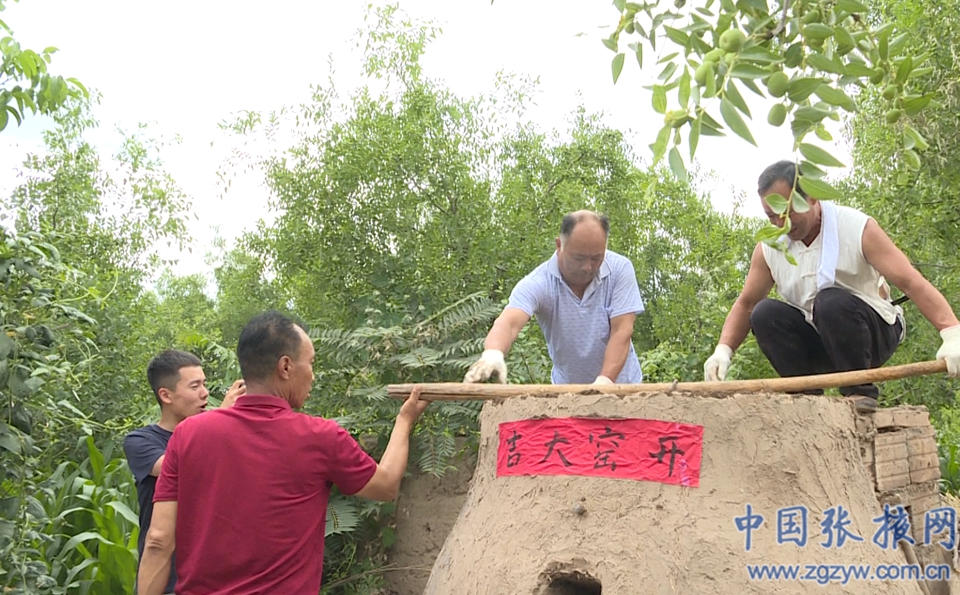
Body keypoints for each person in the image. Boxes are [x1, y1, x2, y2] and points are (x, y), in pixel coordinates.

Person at [136, 311, 430, 595]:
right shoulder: (320, 437)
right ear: (286, 367)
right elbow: (386, 484)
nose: (313, 376)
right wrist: (404, 421)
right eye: (311, 364)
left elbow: (159, 541)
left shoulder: (187, 436)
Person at [703, 160, 960, 412]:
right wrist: (723, 350)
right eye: (772, 216)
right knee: (764, 313)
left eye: (788, 212)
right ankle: (807, 400)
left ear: (813, 197)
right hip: (818, 336)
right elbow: (746, 304)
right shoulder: (770, 248)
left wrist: (951, 333)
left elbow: (911, 281)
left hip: (872, 332)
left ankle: (859, 394)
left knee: (829, 301)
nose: (782, 224)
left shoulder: (857, 228)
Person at [464, 210, 645, 385]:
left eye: (596, 258)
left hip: (623, 388)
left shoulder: (620, 270)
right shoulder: (539, 283)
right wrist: (493, 354)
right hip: (567, 392)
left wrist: (604, 382)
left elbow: (622, 331)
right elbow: (509, 322)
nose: (587, 267)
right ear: (559, 245)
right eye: (579, 258)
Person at [123, 350, 245, 595]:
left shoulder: (218, 433)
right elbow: (175, 466)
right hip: (165, 578)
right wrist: (222, 417)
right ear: (165, 395)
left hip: (218, 576)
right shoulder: (140, 441)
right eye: (194, 386)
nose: (205, 393)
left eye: (204, 384)